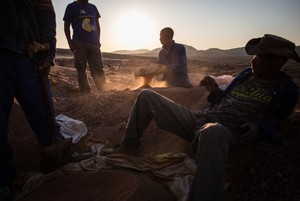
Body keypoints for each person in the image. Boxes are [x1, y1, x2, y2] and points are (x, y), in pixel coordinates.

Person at [119, 34, 299, 201]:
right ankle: (129, 146)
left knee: (213, 131)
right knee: (146, 96)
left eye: (261, 58)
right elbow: (225, 99)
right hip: (199, 119)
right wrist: (214, 91)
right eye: (255, 56)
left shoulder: (286, 89)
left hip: (225, 130)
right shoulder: (245, 75)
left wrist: (260, 125)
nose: (255, 61)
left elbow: (281, 119)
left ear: (279, 62)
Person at [0, 0, 61, 200]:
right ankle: (3, 181)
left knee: (45, 116)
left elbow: (46, 17)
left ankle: (58, 164)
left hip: (30, 56)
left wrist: (48, 50)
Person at [63, 0, 108, 95]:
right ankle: (85, 94)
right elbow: (66, 26)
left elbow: (97, 25)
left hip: (94, 43)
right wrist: (70, 43)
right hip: (79, 43)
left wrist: (98, 40)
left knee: (98, 68)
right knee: (81, 69)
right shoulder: (71, 6)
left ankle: (104, 91)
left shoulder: (93, 7)